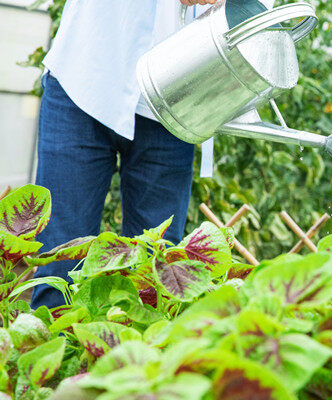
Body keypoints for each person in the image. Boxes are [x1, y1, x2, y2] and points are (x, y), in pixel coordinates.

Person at [31, 0, 218, 310]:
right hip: (85, 75)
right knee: (59, 268)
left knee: (155, 284)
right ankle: (56, 356)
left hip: (173, 98)